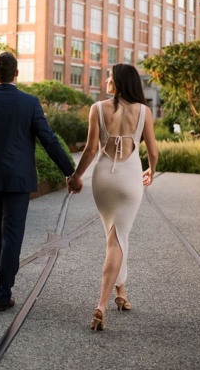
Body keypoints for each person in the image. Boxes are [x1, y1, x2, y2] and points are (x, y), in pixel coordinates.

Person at [0, 52, 76, 312]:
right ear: (17, 73)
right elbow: (49, 140)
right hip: (19, 178)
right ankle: (3, 293)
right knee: (12, 231)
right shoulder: (29, 103)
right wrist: (70, 171)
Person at [66, 63, 158, 331]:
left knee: (115, 235)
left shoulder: (98, 109)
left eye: (110, 76)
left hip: (104, 178)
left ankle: (122, 292)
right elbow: (152, 151)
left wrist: (76, 176)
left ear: (118, 82)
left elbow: (91, 149)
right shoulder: (144, 111)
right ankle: (102, 304)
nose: (106, 79)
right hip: (130, 179)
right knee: (117, 237)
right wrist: (151, 171)